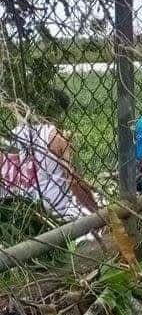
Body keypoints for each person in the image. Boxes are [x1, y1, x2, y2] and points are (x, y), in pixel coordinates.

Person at [1, 89, 98, 222]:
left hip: (15, 213)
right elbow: (75, 182)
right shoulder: (56, 137)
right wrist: (98, 212)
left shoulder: (10, 136)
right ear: (60, 113)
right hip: (54, 215)